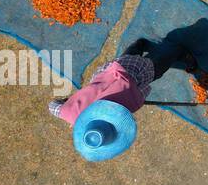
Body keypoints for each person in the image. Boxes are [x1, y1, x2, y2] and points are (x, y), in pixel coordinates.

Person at [50, 36, 195, 161]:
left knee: (156, 67)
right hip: (108, 71)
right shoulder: (68, 112)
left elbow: (143, 89)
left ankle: (177, 51)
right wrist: (70, 105)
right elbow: (52, 106)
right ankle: (139, 44)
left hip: (133, 73)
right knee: (126, 58)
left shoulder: (130, 102)